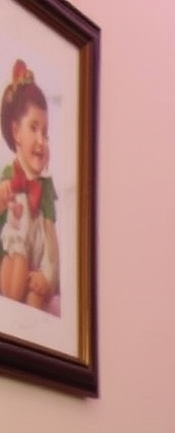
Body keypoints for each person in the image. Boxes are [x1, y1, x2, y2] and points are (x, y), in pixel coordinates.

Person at [0, 59, 59, 312]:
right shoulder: (8, 174)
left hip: (36, 267)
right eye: (33, 128)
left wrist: (49, 278)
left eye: (45, 133)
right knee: (11, 272)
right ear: (15, 131)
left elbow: (51, 240)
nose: (41, 141)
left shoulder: (45, 187)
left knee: (34, 301)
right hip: (12, 251)